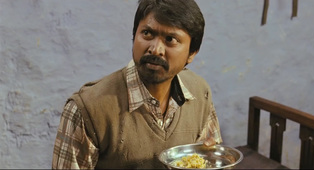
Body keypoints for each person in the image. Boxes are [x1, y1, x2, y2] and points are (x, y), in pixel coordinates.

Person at [52, 0, 222, 169]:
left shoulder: (200, 93)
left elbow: (209, 158)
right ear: (134, 36)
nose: (155, 49)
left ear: (191, 53)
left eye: (170, 39)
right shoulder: (87, 110)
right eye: (147, 33)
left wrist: (208, 157)